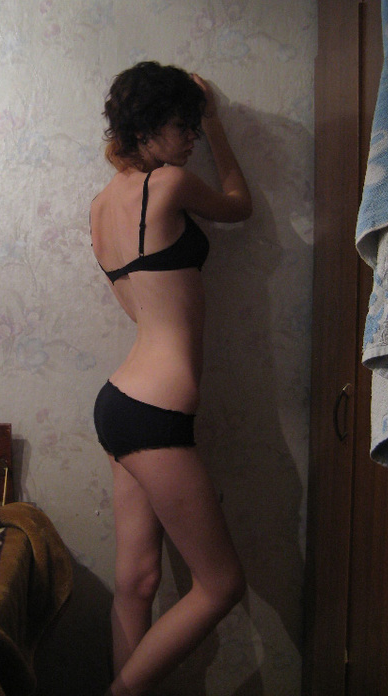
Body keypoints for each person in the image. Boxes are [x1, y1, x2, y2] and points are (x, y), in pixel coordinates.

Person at [90, 61, 252, 696]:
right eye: (183, 126)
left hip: (119, 403)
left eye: (194, 125)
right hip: (156, 413)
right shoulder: (171, 183)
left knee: (137, 582)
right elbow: (239, 206)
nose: (190, 138)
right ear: (147, 128)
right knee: (221, 585)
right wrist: (218, 124)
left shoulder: (101, 206)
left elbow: (144, 308)